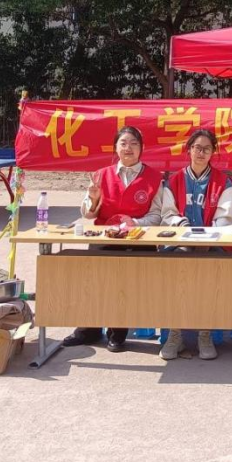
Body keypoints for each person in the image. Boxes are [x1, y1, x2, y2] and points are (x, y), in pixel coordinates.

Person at [62, 125, 164, 353]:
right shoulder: (100, 175)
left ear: (142, 148)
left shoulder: (155, 177)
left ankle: (118, 333)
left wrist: (133, 223)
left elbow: (157, 216)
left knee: (125, 287)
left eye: (134, 144)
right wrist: (93, 198)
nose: (128, 148)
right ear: (115, 147)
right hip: (104, 237)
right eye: (123, 143)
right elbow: (88, 214)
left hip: (139, 240)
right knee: (93, 282)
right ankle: (88, 330)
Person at [159, 128, 232, 361]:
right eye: (197, 148)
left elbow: (225, 217)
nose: (201, 153)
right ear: (189, 150)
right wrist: (185, 228)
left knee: (210, 272)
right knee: (174, 271)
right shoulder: (174, 180)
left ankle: (205, 333)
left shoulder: (223, 181)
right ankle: (175, 333)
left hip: (212, 242)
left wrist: (207, 237)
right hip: (181, 241)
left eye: (206, 149)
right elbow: (168, 214)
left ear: (213, 152)